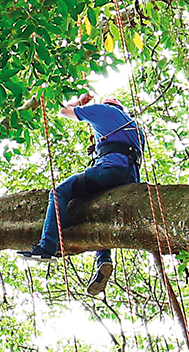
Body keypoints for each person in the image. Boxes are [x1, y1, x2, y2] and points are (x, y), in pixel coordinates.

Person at [20, 93, 143, 270]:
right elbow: (123, 149)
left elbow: (63, 110)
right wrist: (97, 151)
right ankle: (104, 259)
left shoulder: (103, 110)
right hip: (130, 177)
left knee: (59, 192)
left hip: (111, 169)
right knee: (100, 204)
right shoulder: (134, 127)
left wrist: (80, 103)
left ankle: (47, 246)